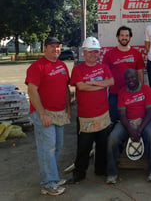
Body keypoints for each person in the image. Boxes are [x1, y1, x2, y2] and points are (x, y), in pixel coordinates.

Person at [25, 37, 71, 195]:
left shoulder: (63, 66)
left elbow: (65, 89)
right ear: (45, 48)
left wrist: (68, 108)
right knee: (47, 148)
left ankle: (53, 177)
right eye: (52, 46)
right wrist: (42, 114)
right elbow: (32, 91)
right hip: (43, 112)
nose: (55, 49)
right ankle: (48, 183)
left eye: (58, 47)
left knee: (57, 146)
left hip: (59, 112)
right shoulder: (37, 67)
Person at [68, 37, 114, 183]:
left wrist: (94, 83)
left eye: (96, 52)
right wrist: (102, 85)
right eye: (90, 52)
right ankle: (79, 173)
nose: (93, 54)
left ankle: (100, 170)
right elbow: (81, 86)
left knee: (102, 146)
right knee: (83, 148)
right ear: (84, 52)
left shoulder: (103, 67)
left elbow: (111, 82)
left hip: (103, 114)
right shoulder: (78, 69)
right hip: (86, 116)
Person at [106, 69, 151, 184]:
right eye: (127, 78)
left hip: (144, 121)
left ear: (137, 77)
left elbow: (150, 112)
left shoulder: (147, 89)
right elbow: (122, 115)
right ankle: (112, 173)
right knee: (112, 138)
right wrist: (131, 130)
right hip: (127, 122)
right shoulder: (122, 92)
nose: (130, 80)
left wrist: (139, 130)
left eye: (133, 77)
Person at [102, 26, 145, 123]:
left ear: (130, 37)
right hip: (115, 94)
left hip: (132, 94)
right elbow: (104, 75)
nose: (124, 38)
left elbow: (140, 73)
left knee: (133, 120)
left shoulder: (136, 53)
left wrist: (140, 90)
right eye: (122, 35)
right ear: (117, 37)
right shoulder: (109, 54)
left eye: (126, 35)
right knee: (114, 122)